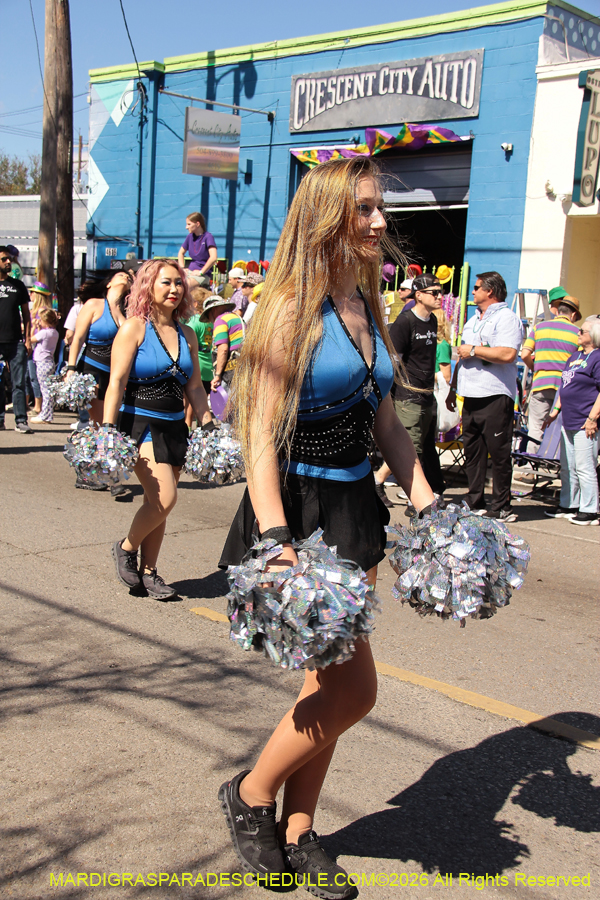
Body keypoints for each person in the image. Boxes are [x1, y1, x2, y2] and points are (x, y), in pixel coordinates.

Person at [218, 156, 434, 895]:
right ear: (327, 214)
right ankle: (250, 793)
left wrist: (430, 505)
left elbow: (387, 424)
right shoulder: (287, 308)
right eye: (364, 208)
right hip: (302, 516)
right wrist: (277, 543)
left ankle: (300, 828)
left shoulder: (364, 303)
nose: (379, 222)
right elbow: (256, 432)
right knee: (355, 692)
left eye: (380, 208)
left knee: (327, 681)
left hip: (355, 510)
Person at [104, 259, 213, 599]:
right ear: (148, 286)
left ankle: (150, 572)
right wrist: (107, 429)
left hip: (174, 427)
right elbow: (117, 382)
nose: (174, 289)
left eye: (178, 283)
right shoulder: (134, 328)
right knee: (165, 498)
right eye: (166, 282)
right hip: (140, 423)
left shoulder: (188, 332)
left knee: (158, 504)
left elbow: (194, 386)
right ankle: (124, 547)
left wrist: (208, 421)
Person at [447, 271, 523, 523]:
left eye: (477, 287)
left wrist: (475, 350)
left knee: (498, 452)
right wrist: (452, 389)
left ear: (490, 291)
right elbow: (463, 356)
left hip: (494, 393)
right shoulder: (473, 320)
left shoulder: (506, 318)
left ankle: (502, 505)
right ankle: (475, 497)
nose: (473, 291)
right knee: (473, 450)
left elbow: (508, 354)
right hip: (470, 393)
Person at [374, 273, 446, 506]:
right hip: (408, 396)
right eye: (434, 292)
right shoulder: (405, 322)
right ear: (419, 295)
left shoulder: (432, 321)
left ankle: (386, 482)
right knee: (410, 448)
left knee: (423, 447)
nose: (439, 296)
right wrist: (392, 393)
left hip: (427, 394)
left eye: (441, 292)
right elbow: (394, 361)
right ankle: (382, 481)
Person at [544, 315, 600, 525]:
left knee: (585, 466)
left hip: (586, 421)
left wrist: (593, 418)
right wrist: (555, 411)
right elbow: (564, 386)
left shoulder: (597, 357)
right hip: (568, 418)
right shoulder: (574, 357)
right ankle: (569, 504)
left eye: (582, 332)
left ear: (593, 336)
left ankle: (590, 510)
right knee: (568, 466)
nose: (578, 333)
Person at [66, 271, 132, 427]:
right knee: (101, 423)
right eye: (121, 275)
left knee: (112, 423)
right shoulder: (94, 304)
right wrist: (71, 367)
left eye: (129, 278)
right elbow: (78, 338)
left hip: (114, 374)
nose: (126, 277)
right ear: (109, 283)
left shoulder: (128, 314)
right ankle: (96, 449)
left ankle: (97, 448)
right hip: (92, 369)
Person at [521, 292, 581, 442]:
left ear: (559, 311)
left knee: (536, 427)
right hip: (565, 386)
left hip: (541, 383)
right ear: (573, 315)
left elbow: (524, 354)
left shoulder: (539, 327)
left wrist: (535, 368)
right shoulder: (577, 333)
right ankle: (555, 462)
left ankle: (532, 461)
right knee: (561, 426)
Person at [0, 245, 33, 433]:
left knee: (18, 382)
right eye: (4, 259)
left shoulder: (18, 286)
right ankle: (0, 419)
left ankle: (21, 420)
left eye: (9, 259)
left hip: (15, 342)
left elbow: (27, 315)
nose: (8, 262)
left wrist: (27, 339)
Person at [198, 295, 244, 392]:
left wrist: (218, 375)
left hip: (233, 371)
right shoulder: (237, 318)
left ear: (213, 310)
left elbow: (223, 349)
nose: (210, 321)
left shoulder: (220, 320)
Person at [30, 308, 59, 424]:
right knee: (48, 389)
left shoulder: (44, 333)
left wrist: (33, 328)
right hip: (49, 362)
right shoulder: (54, 332)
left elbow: (31, 339)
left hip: (42, 362)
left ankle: (45, 415)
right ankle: (47, 413)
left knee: (45, 390)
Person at [28, 282, 53, 415]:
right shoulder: (34, 311)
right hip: (36, 349)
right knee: (32, 377)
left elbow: (37, 334)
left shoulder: (42, 312)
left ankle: (39, 407)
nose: (30, 294)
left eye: (32, 292)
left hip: (39, 350)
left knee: (37, 379)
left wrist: (31, 327)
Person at [177, 212, 218, 288]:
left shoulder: (208, 237)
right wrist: (182, 269)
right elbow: (180, 253)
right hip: (190, 272)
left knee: (185, 286)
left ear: (197, 224)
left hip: (203, 274)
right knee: (175, 283)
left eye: (189, 224)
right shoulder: (189, 237)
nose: (186, 227)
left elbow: (213, 257)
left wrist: (201, 272)